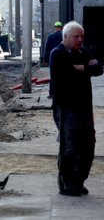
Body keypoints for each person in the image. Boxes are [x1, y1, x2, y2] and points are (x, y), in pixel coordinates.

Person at [50, 21, 103, 196]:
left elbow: (99, 69)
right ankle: (67, 183)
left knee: (88, 146)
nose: (80, 39)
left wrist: (83, 68)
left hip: (84, 107)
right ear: (65, 37)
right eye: (76, 36)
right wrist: (86, 68)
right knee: (70, 147)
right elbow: (67, 74)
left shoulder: (83, 52)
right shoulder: (57, 54)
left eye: (82, 36)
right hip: (66, 108)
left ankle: (79, 181)